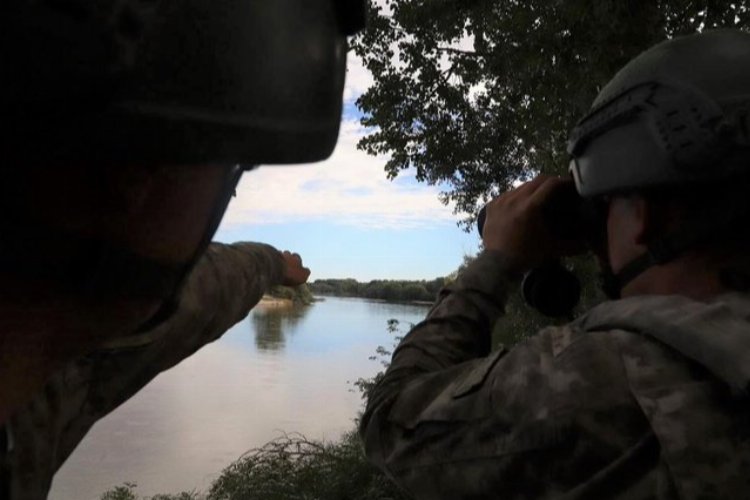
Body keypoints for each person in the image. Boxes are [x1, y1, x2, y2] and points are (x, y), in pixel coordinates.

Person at [360, 29, 750, 499]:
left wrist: (497, 262)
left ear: (645, 214)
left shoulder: (628, 371)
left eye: (606, 205)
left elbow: (391, 425)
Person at [0, 0, 364, 498]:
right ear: (138, 174)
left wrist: (272, 263)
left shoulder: (42, 354)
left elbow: (207, 290)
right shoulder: (54, 379)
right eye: (232, 165)